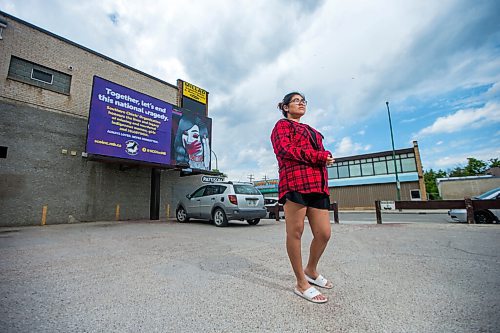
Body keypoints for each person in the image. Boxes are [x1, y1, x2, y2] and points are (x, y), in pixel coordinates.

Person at [270, 92, 335, 304]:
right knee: (295, 232)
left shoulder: (312, 131)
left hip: (317, 184)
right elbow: (286, 149)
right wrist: (319, 156)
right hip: (295, 182)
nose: (301, 103)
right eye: (296, 101)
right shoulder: (282, 126)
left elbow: (319, 153)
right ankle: (300, 282)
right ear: (286, 107)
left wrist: (325, 157)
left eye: (304, 101)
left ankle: (311, 269)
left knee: (324, 233)